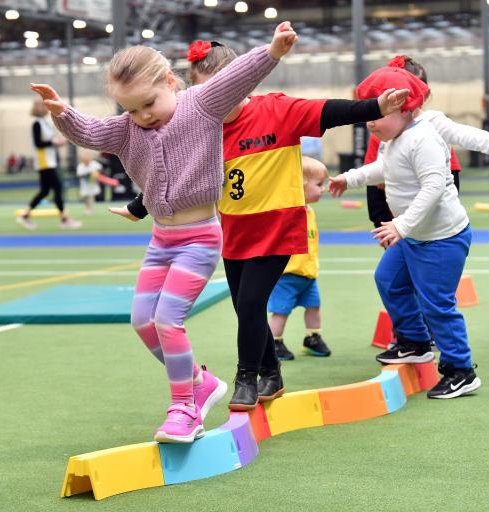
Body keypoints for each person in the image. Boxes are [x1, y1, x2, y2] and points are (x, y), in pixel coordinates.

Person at [31, 22, 298, 443]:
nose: (143, 116)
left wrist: (273, 51)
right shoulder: (127, 128)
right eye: (132, 109)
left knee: (167, 321)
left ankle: (185, 408)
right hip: (161, 240)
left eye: (149, 103)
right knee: (142, 321)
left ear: (170, 82)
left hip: (199, 238)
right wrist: (62, 113)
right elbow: (91, 132)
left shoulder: (202, 105)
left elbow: (237, 75)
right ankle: (200, 381)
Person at [114, 39, 410, 411]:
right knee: (244, 307)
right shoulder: (197, 126)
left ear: (244, 82)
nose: (218, 97)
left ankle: (246, 377)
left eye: (226, 87)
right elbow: (173, 176)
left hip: (277, 230)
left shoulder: (278, 110)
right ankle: (272, 372)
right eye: (207, 90)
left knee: (253, 304)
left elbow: (330, 111)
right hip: (232, 232)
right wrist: (140, 207)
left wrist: (377, 106)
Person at [329, 66, 481, 399]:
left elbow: (434, 188)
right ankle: (414, 341)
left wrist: (400, 225)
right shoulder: (395, 139)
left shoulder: (423, 138)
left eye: (378, 114)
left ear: (405, 109)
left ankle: (461, 370)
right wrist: (349, 178)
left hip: (440, 239)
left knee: (437, 304)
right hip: (415, 236)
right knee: (389, 279)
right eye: (369, 113)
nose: (370, 122)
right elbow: (384, 168)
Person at [363, 55, 489, 229]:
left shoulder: (433, 123)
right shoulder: (381, 133)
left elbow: (463, 135)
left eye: (414, 89)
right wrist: (380, 221)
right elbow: (373, 179)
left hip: (433, 223)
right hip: (398, 223)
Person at [267, 156, 330, 361]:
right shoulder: (289, 211)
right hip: (287, 275)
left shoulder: (309, 211)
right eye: (319, 184)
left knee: (314, 306)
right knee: (281, 311)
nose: (323, 189)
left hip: (307, 274)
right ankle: (273, 342)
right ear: (301, 184)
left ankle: (312, 337)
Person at [17, 99, 81, 230]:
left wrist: (57, 142)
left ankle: (25, 215)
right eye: (45, 107)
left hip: (49, 161)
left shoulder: (44, 123)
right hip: (44, 162)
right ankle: (64, 219)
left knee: (45, 191)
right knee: (57, 188)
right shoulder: (36, 123)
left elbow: (48, 141)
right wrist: (54, 143)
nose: (48, 109)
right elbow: (38, 144)